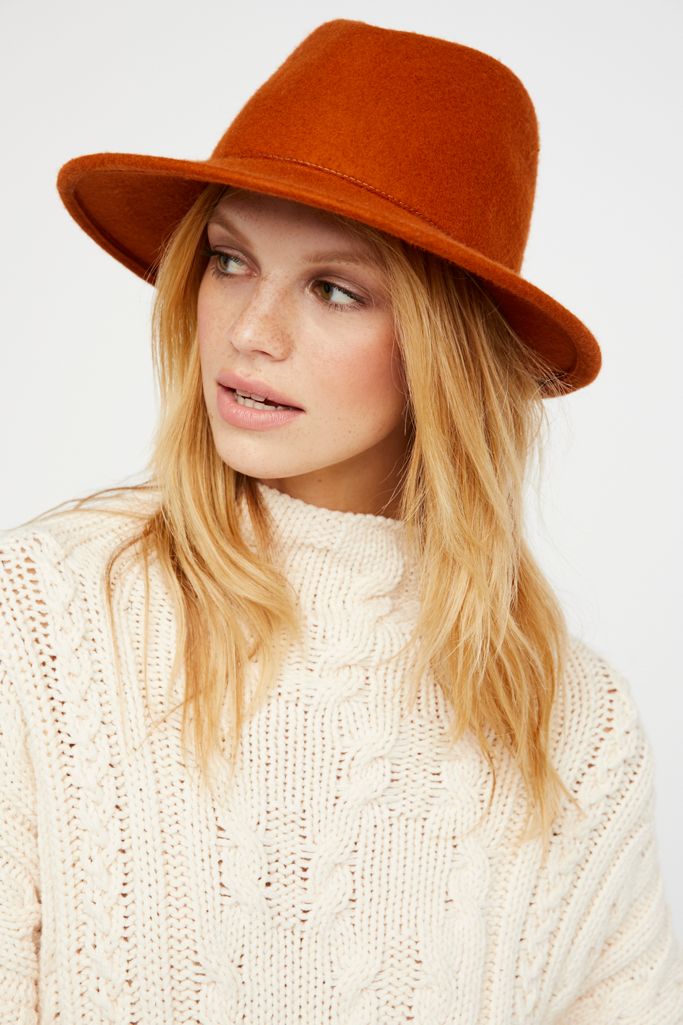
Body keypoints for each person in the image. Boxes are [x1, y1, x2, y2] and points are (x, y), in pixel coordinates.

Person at [1, 17, 681, 1024]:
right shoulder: (49, 617)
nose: (249, 331)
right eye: (228, 260)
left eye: (333, 288)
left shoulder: (572, 723)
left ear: (445, 351)